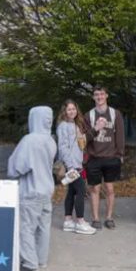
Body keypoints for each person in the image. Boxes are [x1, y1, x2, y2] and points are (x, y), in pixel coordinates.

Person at [8, 106, 57, 271]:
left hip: (31, 190)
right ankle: (40, 259)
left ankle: (29, 262)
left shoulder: (29, 140)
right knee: (43, 227)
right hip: (46, 190)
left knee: (26, 228)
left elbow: (17, 168)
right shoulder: (51, 140)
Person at [83, 86, 125, 230]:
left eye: (102, 94)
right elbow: (84, 139)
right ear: (93, 97)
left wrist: (120, 155)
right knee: (94, 189)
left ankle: (109, 217)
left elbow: (120, 136)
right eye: (96, 95)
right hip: (94, 157)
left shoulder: (115, 114)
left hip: (111, 157)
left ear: (107, 95)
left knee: (110, 189)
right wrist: (96, 128)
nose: (99, 97)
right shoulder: (88, 115)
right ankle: (95, 218)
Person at [56, 100, 96, 235]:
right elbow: (63, 147)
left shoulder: (75, 124)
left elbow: (80, 143)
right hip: (72, 165)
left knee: (72, 192)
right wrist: (71, 166)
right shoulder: (63, 126)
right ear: (64, 111)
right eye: (69, 109)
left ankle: (68, 221)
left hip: (76, 164)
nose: (72, 111)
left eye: (73, 109)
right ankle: (80, 222)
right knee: (81, 191)